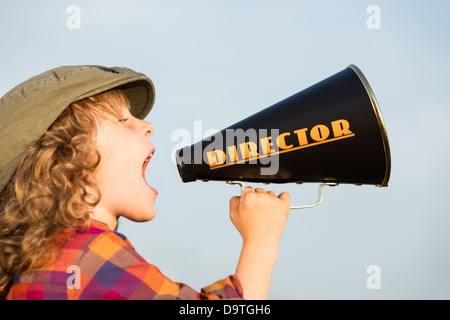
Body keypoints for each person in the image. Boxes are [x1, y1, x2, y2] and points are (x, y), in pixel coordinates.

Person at [0, 65, 290, 300]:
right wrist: (262, 240)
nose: (146, 125)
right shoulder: (88, 258)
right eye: (122, 120)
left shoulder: (37, 265)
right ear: (66, 161)